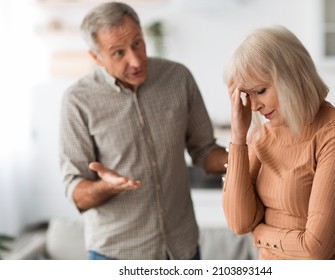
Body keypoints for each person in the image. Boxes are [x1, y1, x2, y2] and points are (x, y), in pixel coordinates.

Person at [59, 1, 227, 260]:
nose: (136, 60)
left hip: (182, 249)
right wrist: (107, 186)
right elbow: (77, 193)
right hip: (116, 255)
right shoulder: (78, 101)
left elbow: (205, 152)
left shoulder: (178, 78)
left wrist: (249, 156)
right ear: (96, 57)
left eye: (137, 43)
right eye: (118, 53)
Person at [222, 26, 335, 260]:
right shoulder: (260, 137)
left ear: (291, 75)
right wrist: (238, 139)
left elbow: (316, 248)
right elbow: (239, 223)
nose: (254, 106)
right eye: (247, 95)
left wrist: (259, 233)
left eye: (260, 91)